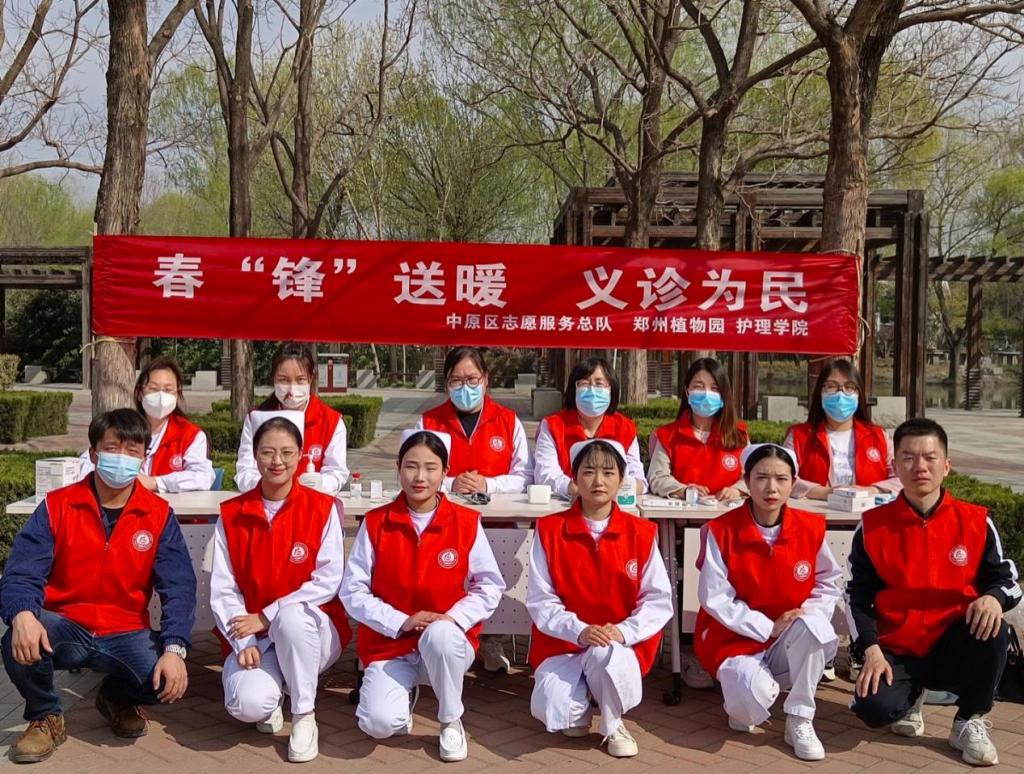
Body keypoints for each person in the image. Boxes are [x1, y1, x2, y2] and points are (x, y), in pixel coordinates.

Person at [0, 409, 196, 764]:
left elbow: (179, 586)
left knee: (164, 678)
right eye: (112, 448)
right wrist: (23, 614)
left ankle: (117, 697)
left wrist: (175, 648)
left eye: (132, 451)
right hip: (65, 625)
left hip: (125, 630)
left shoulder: (158, 514)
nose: (122, 459)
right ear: (93, 454)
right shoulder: (58, 506)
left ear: (144, 458)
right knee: (18, 637)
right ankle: (45, 715)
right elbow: (21, 572)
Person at [848, 417, 1021, 767]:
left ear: (946, 465)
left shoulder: (976, 521)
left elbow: (1008, 580)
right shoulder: (872, 526)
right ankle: (910, 698)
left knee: (995, 629)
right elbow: (856, 597)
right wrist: (871, 650)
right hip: (898, 648)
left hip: (954, 645)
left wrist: (994, 597)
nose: (920, 467)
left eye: (929, 457)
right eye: (909, 458)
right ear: (895, 465)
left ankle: (968, 719)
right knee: (873, 709)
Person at [340, 429, 505, 762]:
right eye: (411, 466)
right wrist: (401, 621)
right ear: (398, 469)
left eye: (431, 468)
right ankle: (404, 695)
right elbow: (353, 590)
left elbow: (489, 585)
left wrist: (453, 619)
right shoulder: (376, 523)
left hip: (446, 646)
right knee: (378, 723)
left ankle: (450, 720)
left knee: (440, 635)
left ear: (445, 473)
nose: (420, 477)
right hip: (391, 644)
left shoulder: (465, 522)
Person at [212, 416, 350, 763]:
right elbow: (224, 588)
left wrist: (267, 614)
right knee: (247, 704)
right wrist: (243, 641)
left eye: (287, 452)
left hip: (311, 632)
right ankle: (274, 696)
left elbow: (328, 579)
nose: (277, 461)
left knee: (290, 618)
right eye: (268, 452)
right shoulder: (233, 513)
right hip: (255, 637)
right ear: (255, 455)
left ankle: (304, 715)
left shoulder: (322, 508)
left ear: (301, 455)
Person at [695, 443, 841, 762]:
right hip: (734, 640)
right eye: (761, 478)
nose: (771, 488)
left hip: (787, 635)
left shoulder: (810, 527)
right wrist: (768, 627)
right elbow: (715, 597)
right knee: (746, 710)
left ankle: (800, 717)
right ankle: (752, 691)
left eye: (781, 479)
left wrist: (804, 615)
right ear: (746, 481)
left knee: (814, 627)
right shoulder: (721, 531)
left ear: (793, 483)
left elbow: (827, 581)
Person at [527, 439, 672, 758]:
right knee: (555, 709)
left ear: (621, 479)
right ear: (574, 478)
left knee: (606, 655)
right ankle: (582, 701)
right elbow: (541, 599)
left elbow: (657, 600)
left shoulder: (641, 532)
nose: (598, 481)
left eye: (608, 472)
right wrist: (578, 630)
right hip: (563, 644)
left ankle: (613, 722)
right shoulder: (550, 529)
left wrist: (622, 632)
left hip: (617, 645)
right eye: (588, 471)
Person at [417, 346, 531, 674]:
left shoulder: (507, 421)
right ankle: (442, 638)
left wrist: (488, 484)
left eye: (471, 379)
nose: (464, 387)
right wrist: (450, 482)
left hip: (498, 525)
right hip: (444, 523)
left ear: (485, 380)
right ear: (446, 383)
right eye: (456, 380)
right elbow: (415, 473)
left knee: (495, 577)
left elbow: (525, 475)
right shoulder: (430, 421)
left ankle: (490, 641)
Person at [647, 357, 749, 690]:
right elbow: (656, 477)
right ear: (686, 391)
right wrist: (682, 489)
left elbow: (754, 475)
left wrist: (740, 488)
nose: (706, 394)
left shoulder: (738, 435)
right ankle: (688, 649)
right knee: (683, 572)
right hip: (683, 533)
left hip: (731, 535)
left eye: (714, 388)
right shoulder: (668, 435)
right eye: (698, 387)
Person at [79, 357, 215, 492]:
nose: (161, 396)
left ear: (177, 394)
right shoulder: (122, 426)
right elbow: (85, 465)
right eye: (153, 388)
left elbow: (202, 477)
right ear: (139, 393)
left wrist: (155, 483)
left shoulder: (190, 435)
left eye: (168, 390)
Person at [235, 342, 348, 493]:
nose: (292, 389)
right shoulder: (256, 418)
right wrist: (270, 486)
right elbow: (245, 471)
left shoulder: (331, 421)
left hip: (312, 502)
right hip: (267, 502)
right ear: (273, 378)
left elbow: (337, 472)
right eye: (284, 380)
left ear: (311, 377)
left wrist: (321, 483)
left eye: (300, 380)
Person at [784, 358, 901, 501]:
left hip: (866, 513)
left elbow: (901, 478)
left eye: (849, 387)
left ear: (859, 394)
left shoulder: (878, 436)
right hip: (816, 513)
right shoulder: (798, 436)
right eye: (831, 386)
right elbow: (783, 478)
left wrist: (871, 490)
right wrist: (826, 493)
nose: (841, 394)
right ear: (820, 392)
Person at [534, 357, 646, 499]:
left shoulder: (625, 428)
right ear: (574, 389)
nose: (592, 390)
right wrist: (576, 489)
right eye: (584, 384)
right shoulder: (553, 426)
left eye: (599, 384)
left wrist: (625, 488)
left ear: (611, 389)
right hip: (563, 504)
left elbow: (638, 479)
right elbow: (544, 474)